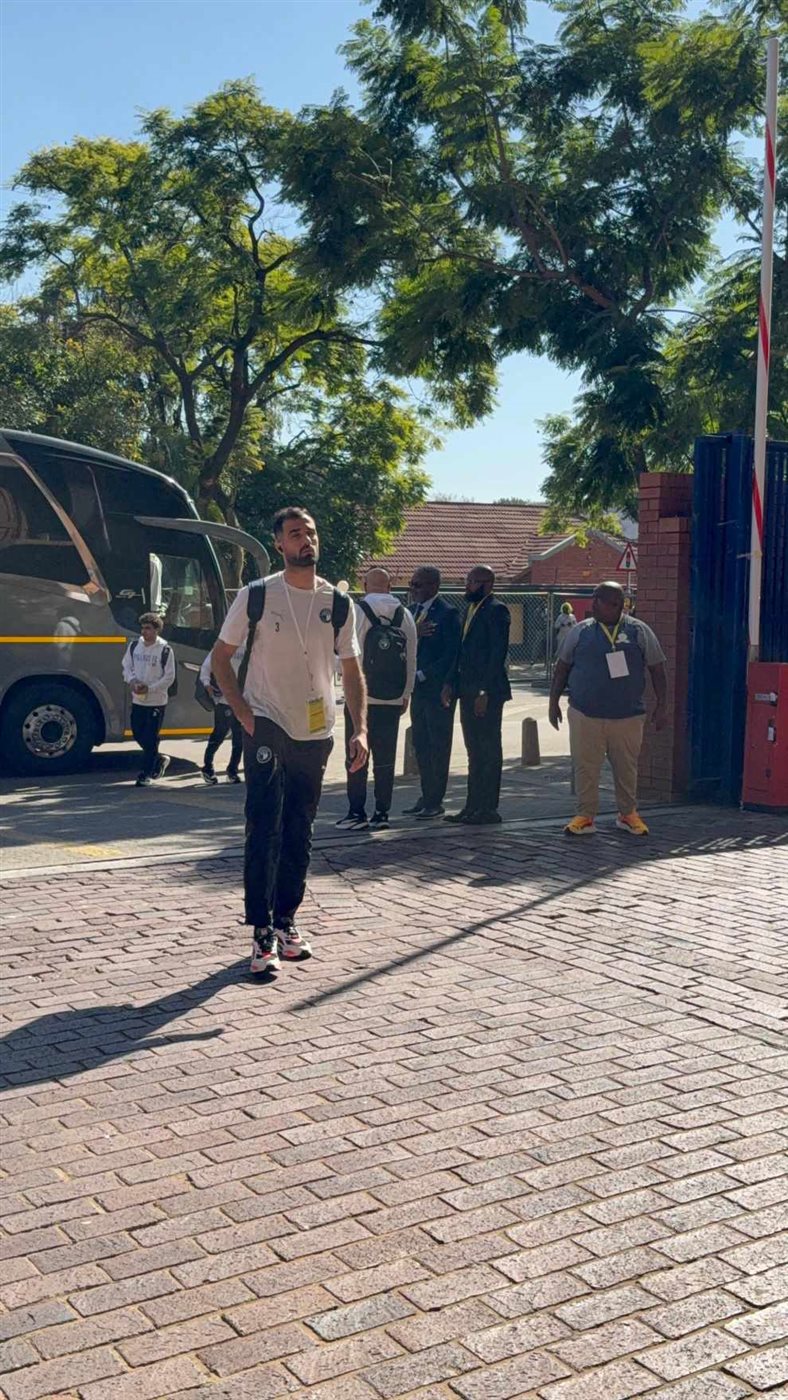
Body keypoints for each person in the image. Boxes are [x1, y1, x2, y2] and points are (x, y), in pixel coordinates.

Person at [212, 507, 368, 976]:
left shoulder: (338, 602)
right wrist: (243, 712)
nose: (306, 540)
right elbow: (221, 657)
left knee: (300, 827)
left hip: (315, 729)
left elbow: (351, 669)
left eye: (311, 533)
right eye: (296, 534)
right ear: (279, 544)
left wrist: (359, 728)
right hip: (266, 720)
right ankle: (261, 931)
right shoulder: (257, 595)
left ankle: (286, 921)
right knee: (265, 824)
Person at [549, 580, 667, 837]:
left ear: (617, 604)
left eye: (599, 600)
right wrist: (553, 702)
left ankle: (628, 814)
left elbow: (657, 669)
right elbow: (562, 668)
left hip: (627, 716)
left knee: (626, 768)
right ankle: (585, 816)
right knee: (585, 766)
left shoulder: (639, 631)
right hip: (585, 714)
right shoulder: (580, 631)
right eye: (594, 599)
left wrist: (662, 705)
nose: (593, 605)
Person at [337, 567, 417, 832]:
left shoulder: (357, 612)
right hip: (392, 697)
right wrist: (405, 693)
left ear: (364, 585)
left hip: (361, 697)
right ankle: (382, 813)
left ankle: (356, 812)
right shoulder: (405, 615)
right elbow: (412, 658)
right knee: (386, 759)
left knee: (356, 754)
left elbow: (348, 655)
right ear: (390, 586)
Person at [443, 566, 511, 825]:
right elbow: (460, 651)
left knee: (488, 749)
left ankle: (488, 808)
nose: (467, 585)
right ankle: (472, 806)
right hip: (466, 689)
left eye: (472, 581)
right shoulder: (470, 609)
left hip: (487, 692)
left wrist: (485, 690)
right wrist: (450, 682)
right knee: (474, 751)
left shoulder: (497, 610)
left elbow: (497, 654)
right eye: (467, 580)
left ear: (487, 584)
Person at [405, 565, 461, 820]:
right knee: (421, 743)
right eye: (412, 584)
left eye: (418, 585)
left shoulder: (447, 614)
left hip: (436, 689)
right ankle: (426, 794)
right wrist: (413, 633)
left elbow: (451, 654)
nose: (413, 589)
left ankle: (435, 800)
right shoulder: (411, 613)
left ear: (434, 586)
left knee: (438, 744)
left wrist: (425, 674)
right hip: (416, 690)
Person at [121, 612, 176, 788]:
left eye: (148, 628)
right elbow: (126, 666)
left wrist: (150, 688)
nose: (144, 632)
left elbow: (169, 677)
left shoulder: (165, 649)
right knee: (138, 733)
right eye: (143, 628)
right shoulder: (134, 646)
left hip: (157, 701)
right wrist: (132, 681)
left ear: (156, 630)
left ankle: (145, 774)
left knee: (150, 737)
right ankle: (158, 759)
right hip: (138, 699)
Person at [199, 646, 245, 785]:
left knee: (239, 738)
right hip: (224, 700)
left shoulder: (249, 647)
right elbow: (206, 666)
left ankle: (232, 771)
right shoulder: (224, 644)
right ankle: (207, 767)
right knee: (219, 735)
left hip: (242, 700)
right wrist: (207, 684)